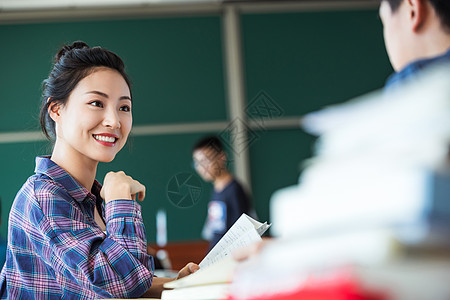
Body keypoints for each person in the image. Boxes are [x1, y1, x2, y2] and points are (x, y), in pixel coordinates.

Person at [233, 0, 450, 261]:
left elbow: (379, 227)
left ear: (413, 10)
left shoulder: (416, 94)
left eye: (384, 22)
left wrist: (287, 252)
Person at [0, 41, 198, 299]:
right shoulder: (44, 196)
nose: (114, 121)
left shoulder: (92, 197)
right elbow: (116, 285)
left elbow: (125, 280)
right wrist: (119, 201)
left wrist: (174, 284)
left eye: (124, 107)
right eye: (96, 103)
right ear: (56, 109)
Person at [192, 136, 253, 251]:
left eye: (205, 161)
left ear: (221, 157)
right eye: (197, 163)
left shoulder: (234, 190)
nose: (202, 168)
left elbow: (241, 233)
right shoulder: (216, 190)